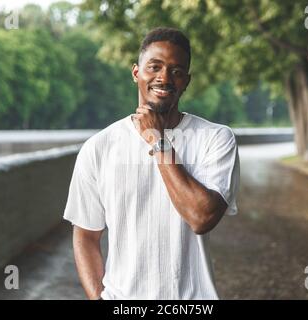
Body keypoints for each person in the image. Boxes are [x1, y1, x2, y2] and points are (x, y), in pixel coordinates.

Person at [63, 27, 240, 300]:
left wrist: (158, 143)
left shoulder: (215, 139)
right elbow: (86, 235)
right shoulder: (98, 148)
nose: (164, 77)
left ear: (186, 81)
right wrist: (98, 298)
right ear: (136, 73)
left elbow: (201, 217)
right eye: (154, 66)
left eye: (176, 71)